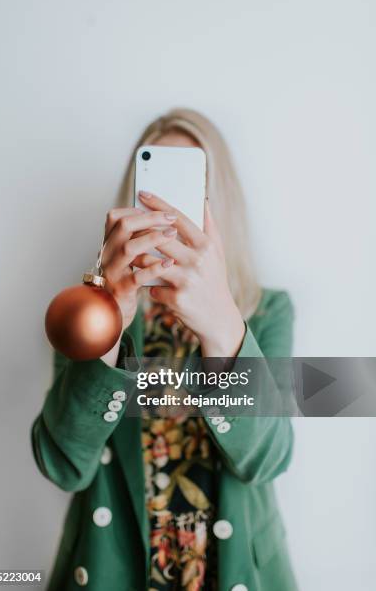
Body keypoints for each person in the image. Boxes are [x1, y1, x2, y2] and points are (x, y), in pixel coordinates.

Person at [31, 108, 298, 591]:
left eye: (190, 189)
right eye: (156, 187)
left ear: (220, 205)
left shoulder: (264, 312)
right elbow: (62, 465)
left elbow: (269, 459)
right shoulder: (91, 311)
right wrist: (109, 321)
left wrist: (223, 328)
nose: (172, 212)